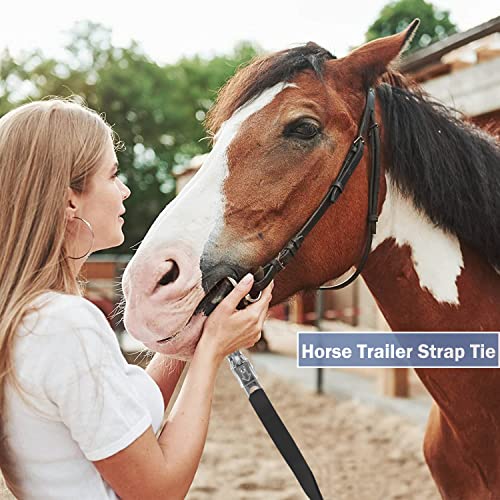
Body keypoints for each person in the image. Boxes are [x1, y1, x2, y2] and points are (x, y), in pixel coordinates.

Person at [0, 98, 273, 499]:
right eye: (113, 175)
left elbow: (124, 422)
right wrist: (213, 348)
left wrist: (193, 321)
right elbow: (158, 490)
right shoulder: (67, 326)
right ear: (69, 199)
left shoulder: (27, 316)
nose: (125, 190)